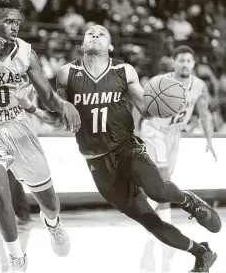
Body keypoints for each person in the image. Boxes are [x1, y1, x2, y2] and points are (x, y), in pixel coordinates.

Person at [16, 25, 221, 272]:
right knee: (150, 221)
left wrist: (167, 102)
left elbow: (146, 108)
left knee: (158, 192)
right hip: (97, 162)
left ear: (110, 46)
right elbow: (62, 121)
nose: (94, 35)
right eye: (89, 33)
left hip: (127, 147)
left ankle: (189, 201)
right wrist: (31, 108)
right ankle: (203, 253)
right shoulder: (66, 74)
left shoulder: (124, 71)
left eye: (101, 33)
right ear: (82, 44)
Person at [0, 0, 81, 271]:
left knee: (50, 201)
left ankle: (53, 224)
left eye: (17, 22)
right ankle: (16, 257)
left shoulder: (26, 52)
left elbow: (46, 95)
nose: (15, 26)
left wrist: (64, 104)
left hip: (18, 126)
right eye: (8, 21)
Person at [140, 45, 217, 225]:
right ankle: (165, 224)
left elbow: (204, 113)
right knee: (164, 178)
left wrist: (209, 140)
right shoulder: (160, 82)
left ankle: (144, 209)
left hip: (174, 133)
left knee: (162, 182)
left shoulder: (199, 85)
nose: (185, 64)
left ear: (193, 64)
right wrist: (135, 129)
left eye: (188, 61)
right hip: (154, 129)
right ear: (173, 62)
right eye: (181, 60)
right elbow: (141, 106)